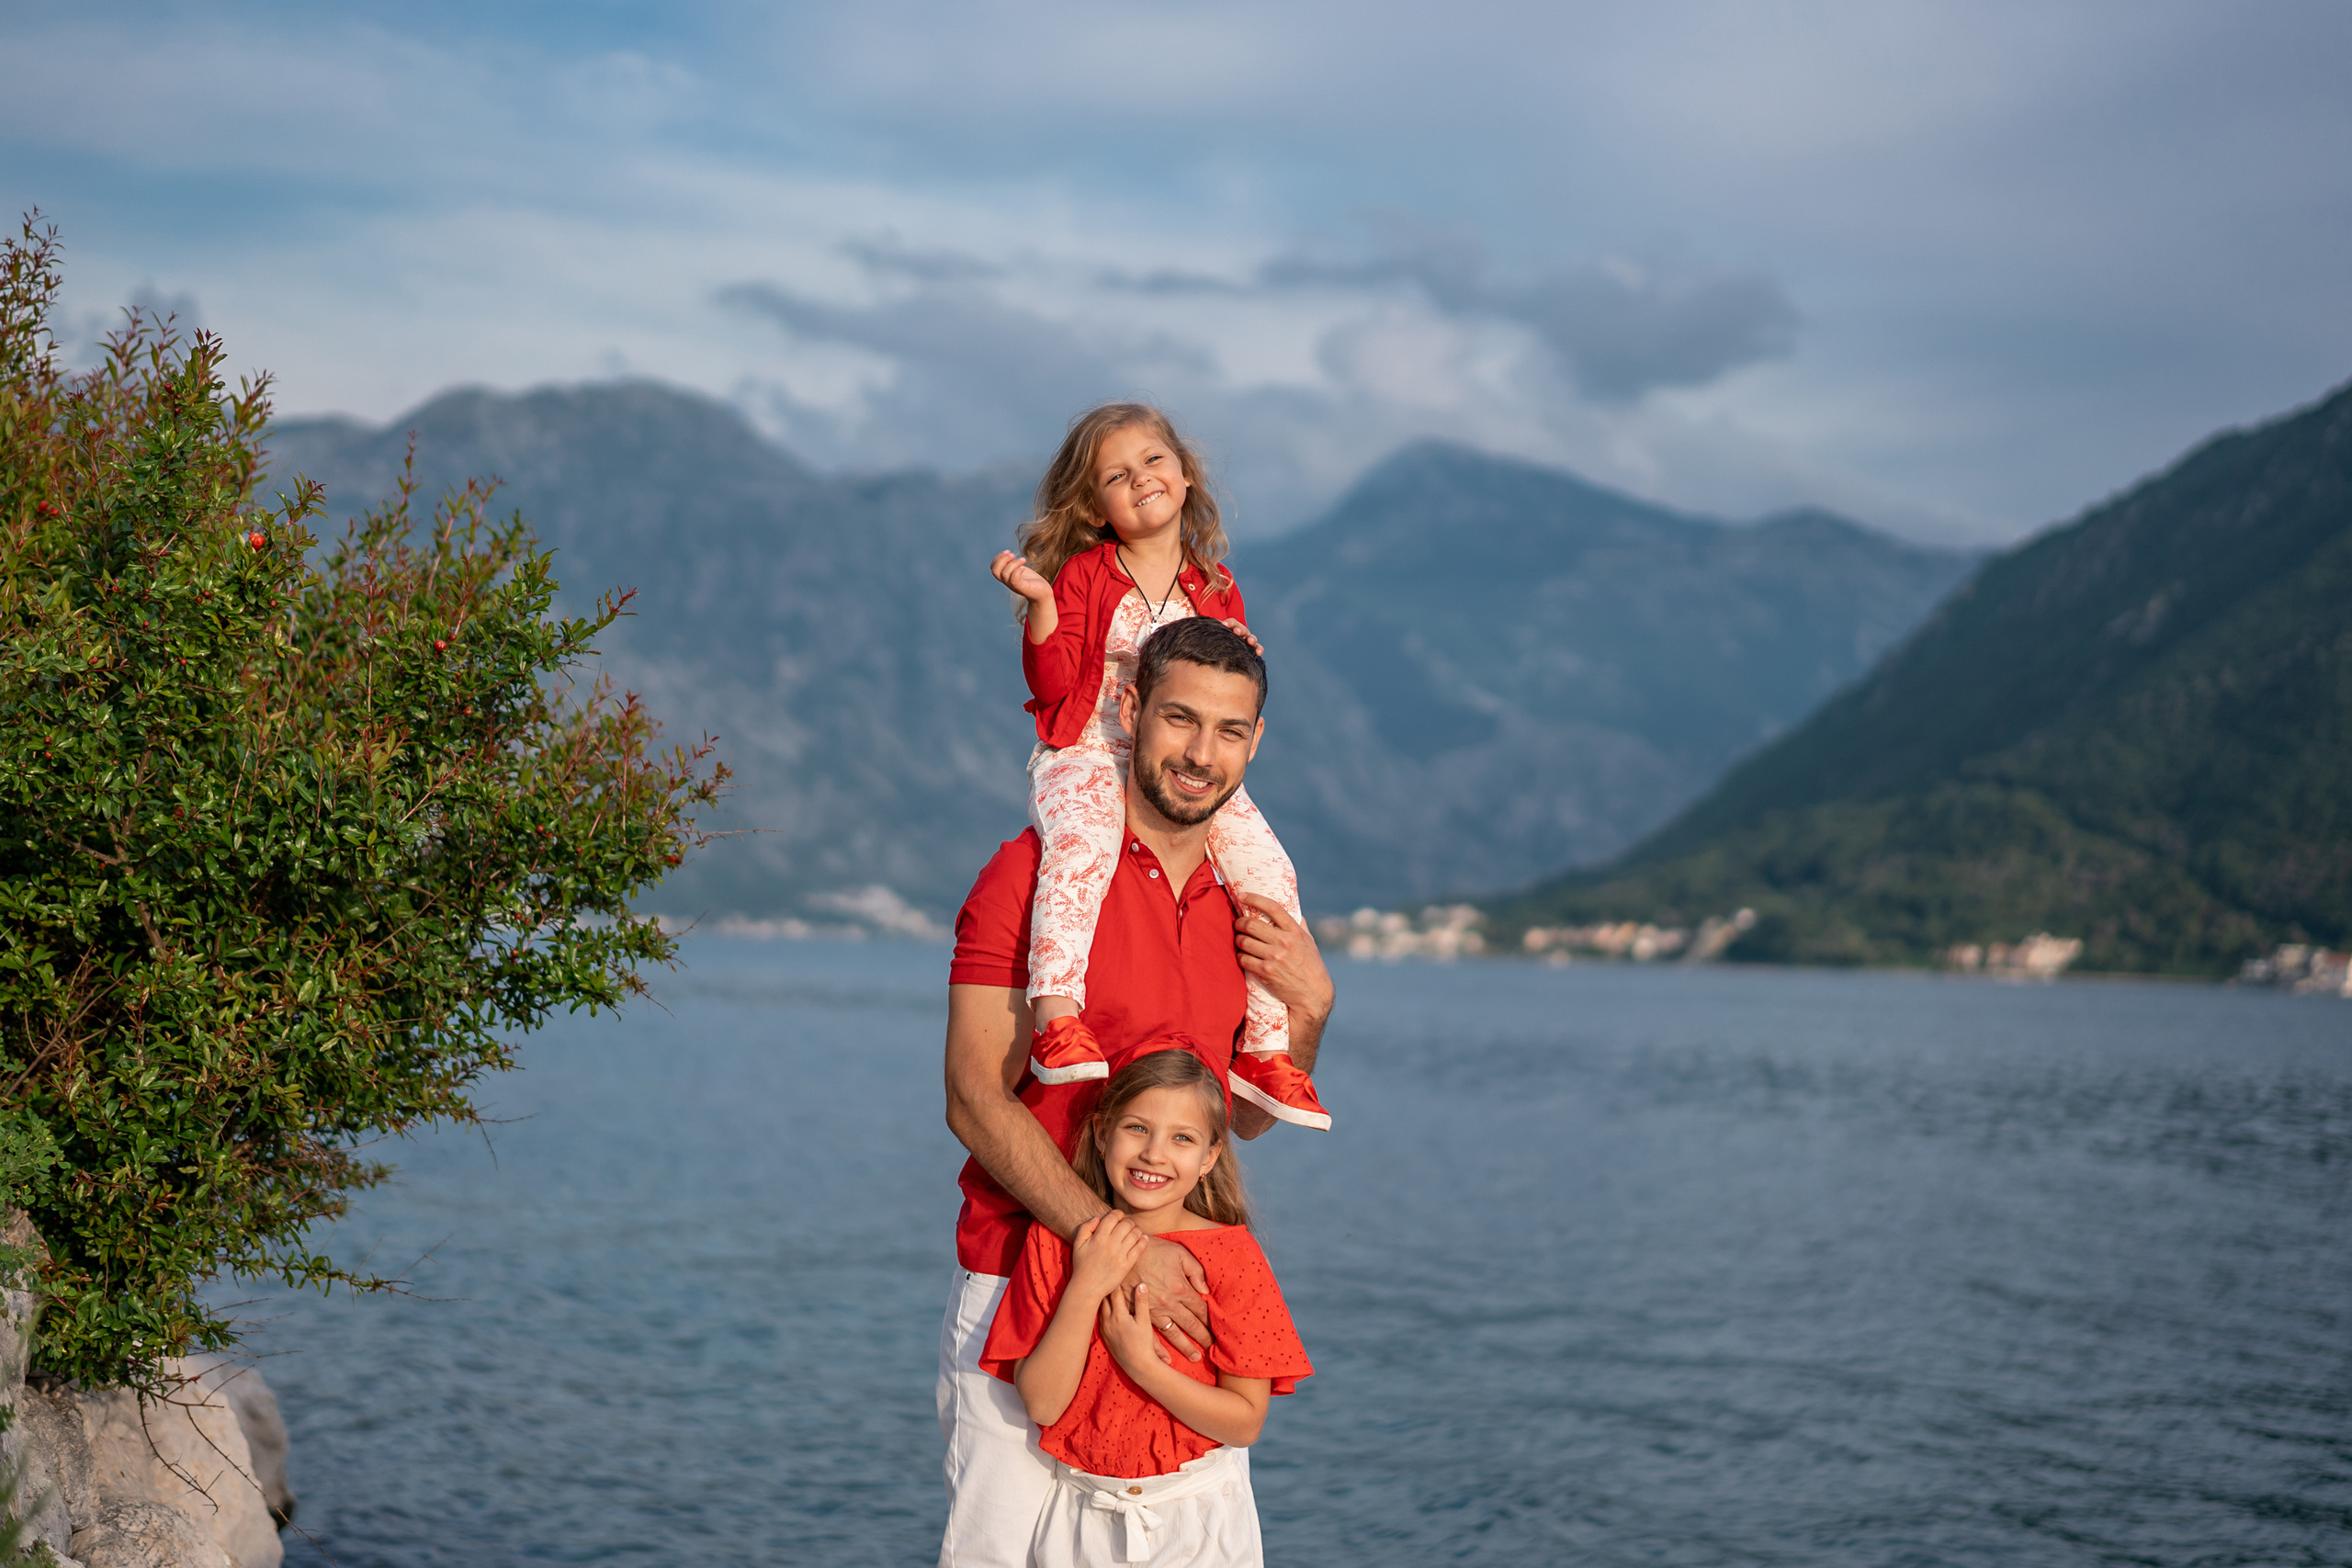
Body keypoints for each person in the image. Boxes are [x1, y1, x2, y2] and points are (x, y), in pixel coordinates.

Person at [940, 616, 1335, 1568]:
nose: (1200, 754)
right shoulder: (1034, 872)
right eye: (1179, 720)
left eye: (1229, 731)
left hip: (1175, 1294)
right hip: (1022, 1286)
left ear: (1256, 741)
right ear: (1129, 709)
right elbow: (972, 1097)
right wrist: (1113, 1250)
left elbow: (1235, 1119)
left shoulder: (1249, 910)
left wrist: (1312, 1007)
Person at [988, 403, 1330, 1133]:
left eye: (1153, 460)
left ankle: (1269, 1050)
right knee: (1080, 849)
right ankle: (1057, 1014)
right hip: (1088, 747)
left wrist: (1241, 646)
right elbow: (1052, 684)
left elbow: (1231, 678)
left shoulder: (1213, 585)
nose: (1140, 478)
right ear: (1095, 503)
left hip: (1179, 757)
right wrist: (1044, 605)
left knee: (1271, 872)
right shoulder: (1084, 574)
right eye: (1117, 474)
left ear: (1184, 473)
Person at [980, 1049, 1311, 1567]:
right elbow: (1042, 1405)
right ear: (1100, 1132)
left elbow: (1244, 1423)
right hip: (1080, 1517)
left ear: (1208, 1158)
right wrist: (1087, 1285)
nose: (1154, 1154)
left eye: (1182, 1138)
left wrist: (1142, 1365)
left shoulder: (1234, 1259)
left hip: (1198, 1521)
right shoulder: (1052, 1242)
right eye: (1137, 1128)